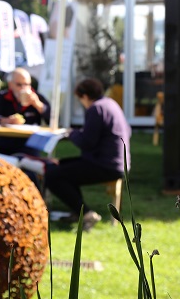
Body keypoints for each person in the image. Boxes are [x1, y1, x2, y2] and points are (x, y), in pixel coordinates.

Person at [45, 78, 131, 231]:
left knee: (52, 175)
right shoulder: (110, 104)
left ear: (84, 96)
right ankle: (78, 212)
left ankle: (87, 214)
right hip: (117, 163)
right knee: (64, 169)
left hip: (104, 165)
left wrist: (71, 134)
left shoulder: (95, 108)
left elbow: (87, 143)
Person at [0, 68, 50, 156]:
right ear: (10, 84)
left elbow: (51, 118)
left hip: (29, 145)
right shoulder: (4, 97)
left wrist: (37, 104)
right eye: (19, 85)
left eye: (27, 84)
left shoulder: (37, 97)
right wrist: (5, 120)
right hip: (5, 144)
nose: (23, 88)